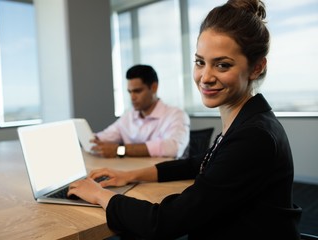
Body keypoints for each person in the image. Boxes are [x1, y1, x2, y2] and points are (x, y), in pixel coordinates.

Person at [68, 0, 301, 239]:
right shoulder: (248, 121)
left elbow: (166, 222)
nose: (205, 77)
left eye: (222, 65)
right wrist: (130, 175)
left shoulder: (255, 136)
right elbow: (199, 163)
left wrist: (99, 195)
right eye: (200, 62)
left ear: (256, 68)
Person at [91, 64, 190, 158]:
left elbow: (173, 147)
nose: (132, 97)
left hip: (160, 174)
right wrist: (93, 140)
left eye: (137, 91)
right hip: (131, 171)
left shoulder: (176, 115)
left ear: (154, 87)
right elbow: (105, 136)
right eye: (130, 92)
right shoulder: (128, 116)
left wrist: (120, 150)